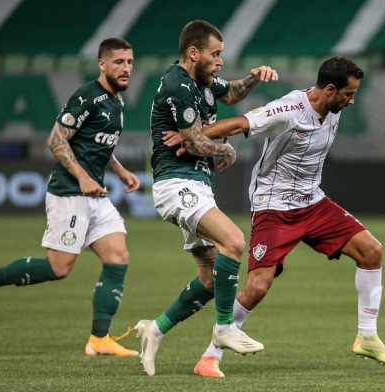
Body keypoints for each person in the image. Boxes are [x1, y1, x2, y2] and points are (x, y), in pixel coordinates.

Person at [166, 56, 385, 378]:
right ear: (330, 89)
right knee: (258, 286)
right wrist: (193, 136)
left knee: (372, 251)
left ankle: (367, 336)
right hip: (274, 206)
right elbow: (239, 124)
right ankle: (209, 357)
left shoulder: (331, 108)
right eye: (348, 94)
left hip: (312, 201)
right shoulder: (290, 109)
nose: (351, 101)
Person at [0, 38, 141, 356]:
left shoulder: (116, 103)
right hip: (69, 193)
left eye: (129, 62)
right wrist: (82, 178)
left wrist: (120, 170)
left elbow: (99, 145)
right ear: (102, 64)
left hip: (95, 194)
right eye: (119, 62)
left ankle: (99, 339)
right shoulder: (87, 97)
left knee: (117, 256)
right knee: (59, 268)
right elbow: (56, 140)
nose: (126, 68)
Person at [132, 20, 279, 376]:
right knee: (234, 241)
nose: (220, 61)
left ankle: (155, 329)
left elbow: (232, 94)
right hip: (175, 185)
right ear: (193, 53)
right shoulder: (177, 85)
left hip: (196, 185)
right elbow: (195, 140)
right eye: (215, 54)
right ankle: (226, 327)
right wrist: (224, 148)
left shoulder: (204, 81)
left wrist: (255, 77)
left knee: (212, 280)